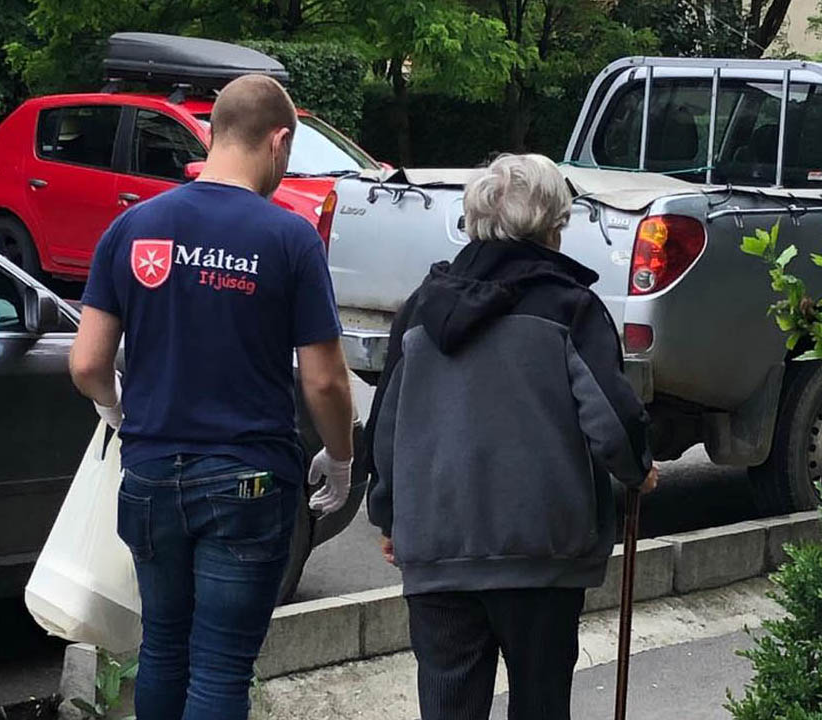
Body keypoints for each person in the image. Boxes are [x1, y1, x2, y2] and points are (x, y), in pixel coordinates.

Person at [69, 74, 355, 720]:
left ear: (214, 133)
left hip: (147, 476)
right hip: (246, 481)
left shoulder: (133, 227)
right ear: (278, 142)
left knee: (163, 648)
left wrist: (119, 412)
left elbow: (87, 362)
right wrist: (340, 459)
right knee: (222, 667)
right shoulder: (291, 240)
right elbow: (326, 380)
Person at [366, 153, 658, 720]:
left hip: (438, 552)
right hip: (541, 554)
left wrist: (389, 516)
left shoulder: (421, 310)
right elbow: (612, 419)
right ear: (553, 226)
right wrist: (637, 468)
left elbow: (385, 427)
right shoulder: (570, 307)